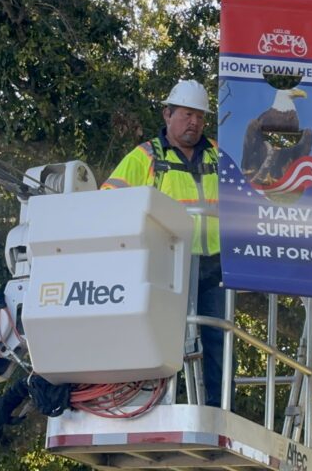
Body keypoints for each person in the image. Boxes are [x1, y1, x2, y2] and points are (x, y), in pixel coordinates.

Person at [100, 79, 228, 408]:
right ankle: (152, 404)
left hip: (213, 265)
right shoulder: (145, 157)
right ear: (167, 114)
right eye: (187, 114)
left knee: (218, 337)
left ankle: (219, 407)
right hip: (167, 264)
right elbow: (108, 202)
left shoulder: (217, 154)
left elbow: (245, 197)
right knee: (162, 335)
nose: (194, 122)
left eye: (200, 116)